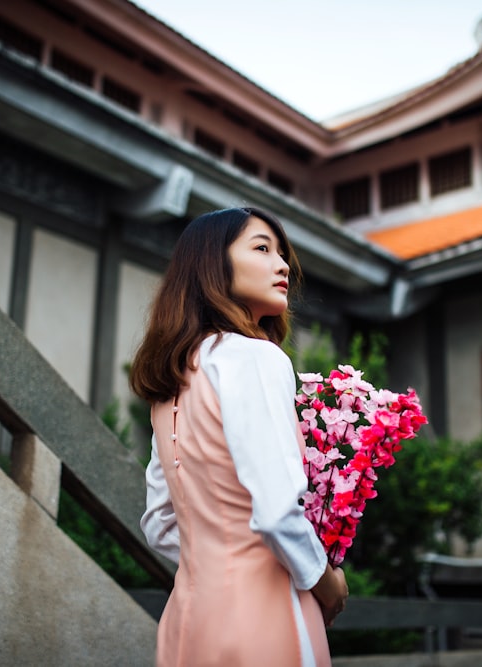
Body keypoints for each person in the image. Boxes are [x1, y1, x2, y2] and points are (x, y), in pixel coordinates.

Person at [130, 207, 348, 666]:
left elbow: (158, 523)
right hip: (263, 616)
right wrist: (326, 581)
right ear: (213, 265)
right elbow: (275, 513)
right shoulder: (256, 359)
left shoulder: (171, 384)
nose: (283, 264)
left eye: (282, 253)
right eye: (262, 248)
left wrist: (217, 554)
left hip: (189, 619)